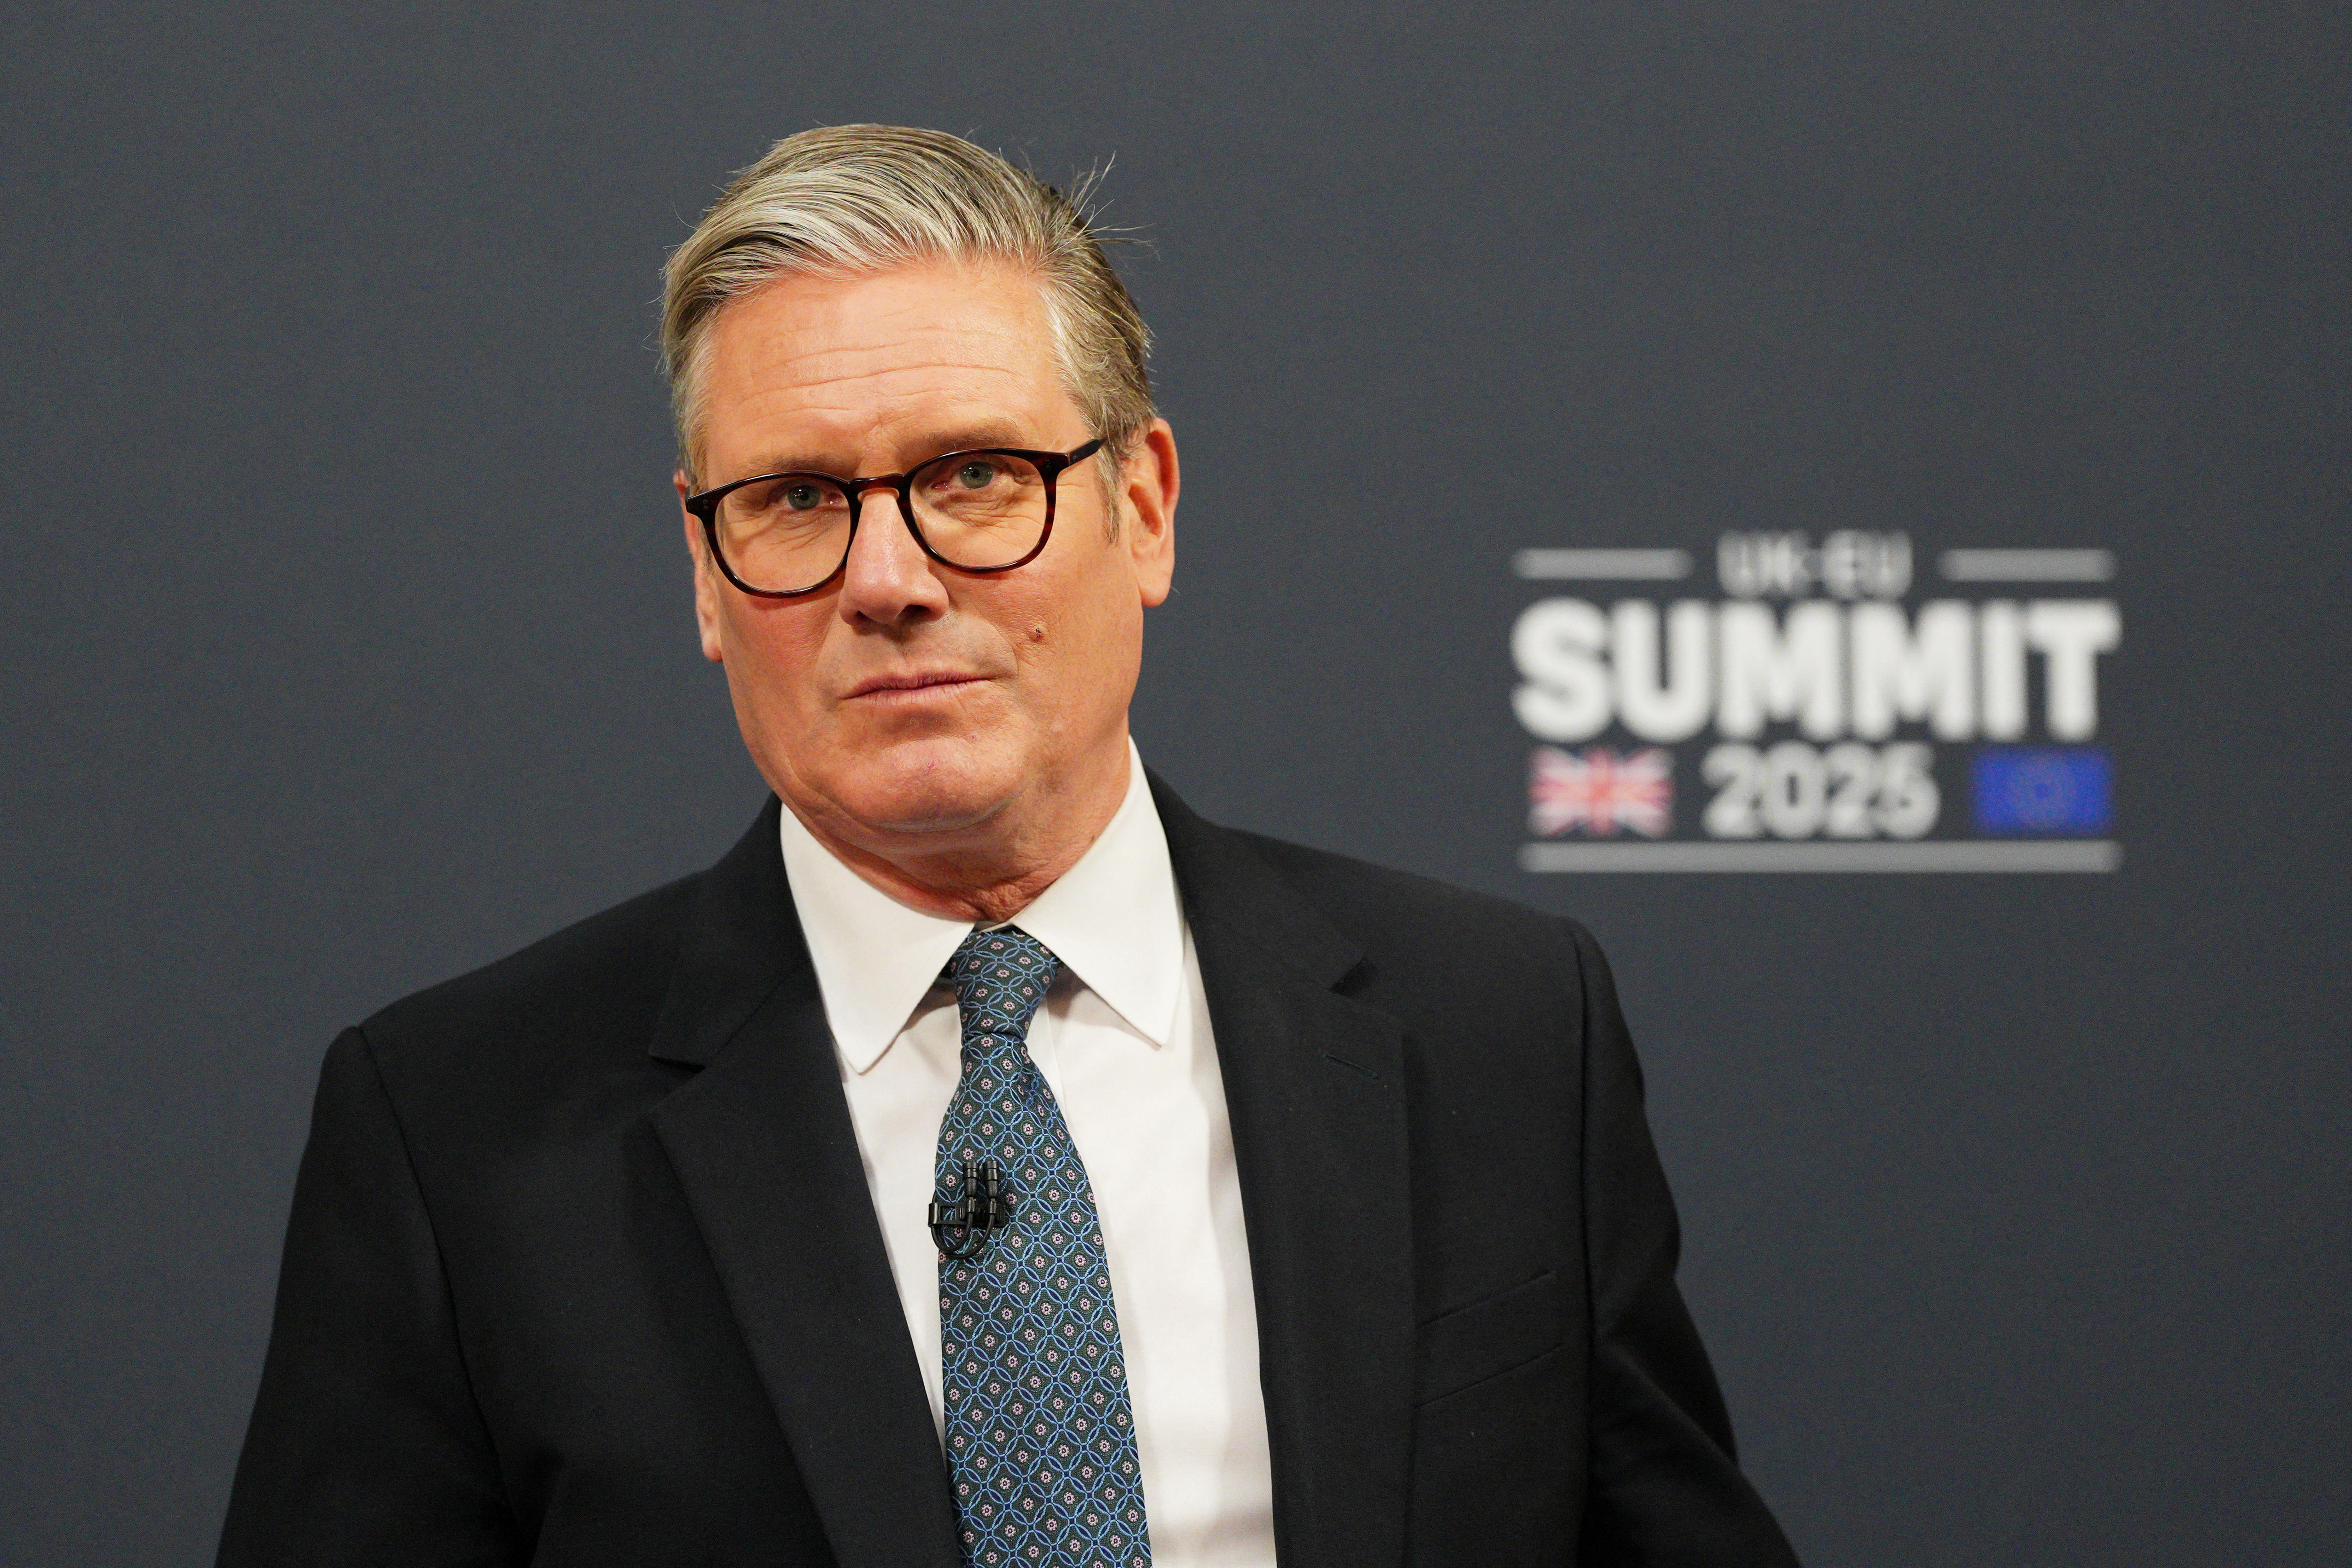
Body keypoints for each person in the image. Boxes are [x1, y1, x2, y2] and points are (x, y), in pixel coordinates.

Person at [217, 124, 1798, 1568]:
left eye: (975, 477)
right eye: (792, 500)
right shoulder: (457, 1132)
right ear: (705, 577)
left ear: (1147, 506)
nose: (888, 577)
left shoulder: (1502, 1031)